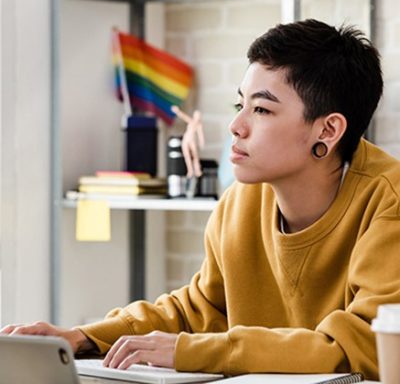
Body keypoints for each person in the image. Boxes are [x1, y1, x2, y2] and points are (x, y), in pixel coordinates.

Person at [2, 19, 400, 381]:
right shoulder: (240, 201)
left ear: (328, 130)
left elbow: (363, 347)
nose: (236, 125)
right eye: (239, 104)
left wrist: (192, 351)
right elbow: (198, 310)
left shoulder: (389, 200)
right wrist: (83, 337)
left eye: (261, 109)